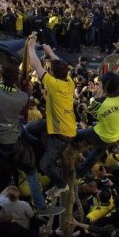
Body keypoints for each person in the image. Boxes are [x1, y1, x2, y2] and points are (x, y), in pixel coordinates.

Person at [0, 61, 51, 214]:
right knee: (30, 171)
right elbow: (14, 91)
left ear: (0, 76)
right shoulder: (22, 97)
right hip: (13, 140)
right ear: (16, 80)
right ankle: (40, 205)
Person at [76, 40, 119, 176]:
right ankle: (81, 172)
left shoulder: (96, 101)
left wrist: (98, 92)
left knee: (73, 136)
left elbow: (91, 114)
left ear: (104, 86)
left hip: (101, 134)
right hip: (118, 134)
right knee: (96, 154)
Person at [24, 35, 75, 195]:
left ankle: (61, 184)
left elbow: (36, 65)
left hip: (62, 134)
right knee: (26, 129)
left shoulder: (53, 84)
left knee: (44, 166)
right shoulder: (68, 80)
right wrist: (49, 51)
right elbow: (60, 63)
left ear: (52, 74)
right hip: (54, 122)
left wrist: (31, 47)